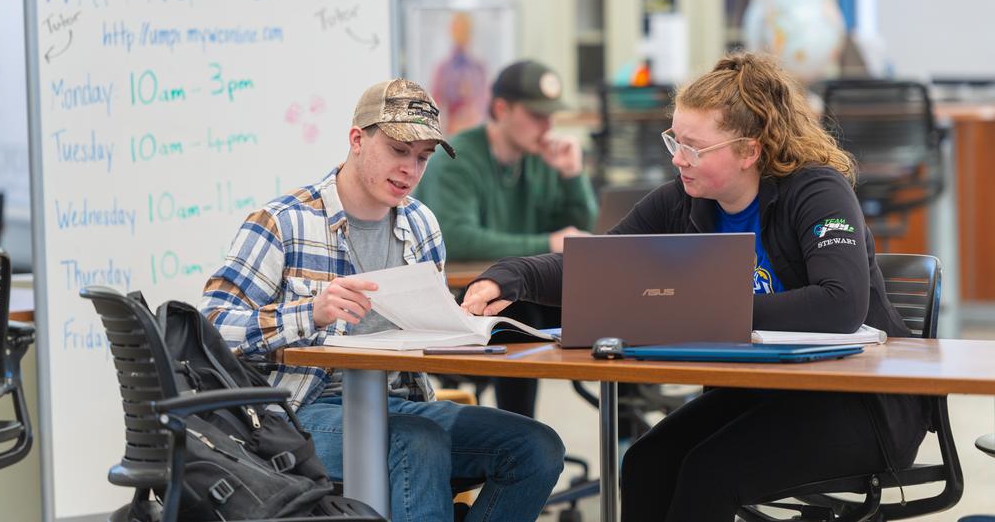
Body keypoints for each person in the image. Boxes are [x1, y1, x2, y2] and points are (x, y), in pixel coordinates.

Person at [459, 52, 930, 522]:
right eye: (675, 141)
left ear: (750, 150)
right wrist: (511, 276)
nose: (678, 159)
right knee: (644, 463)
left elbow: (841, 304)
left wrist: (702, 312)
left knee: (709, 475)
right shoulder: (683, 201)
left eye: (695, 148)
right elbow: (601, 266)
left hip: (862, 405)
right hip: (765, 391)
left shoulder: (817, 191)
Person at [201, 78, 564, 522]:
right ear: (357, 140)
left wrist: (461, 327)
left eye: (422, 158)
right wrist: (309, 313)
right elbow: (212, 328)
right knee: (416, 442)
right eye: (398, 151)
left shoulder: (422, 224)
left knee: (536, 447)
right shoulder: (282, 222)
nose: (410, 169)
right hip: (294, 416)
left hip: (401, 404)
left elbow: (421, 338)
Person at [417, 59, 597, 416]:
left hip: (520, 292)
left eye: (550, 116)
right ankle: (518, 433)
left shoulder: (540, 158)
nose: (547, 126)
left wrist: (573, 176)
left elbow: (578, 231)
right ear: (501, 109)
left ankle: (625, 441)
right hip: (467, 296)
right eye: (536, 115)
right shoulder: (459, 158)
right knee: (516, 310)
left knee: (616, 311)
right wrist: (546, 245)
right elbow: (456, 238)